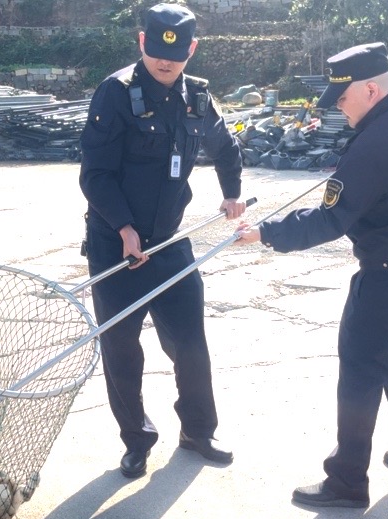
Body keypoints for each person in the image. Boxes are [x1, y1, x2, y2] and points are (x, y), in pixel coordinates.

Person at [233, 42, 388, 508]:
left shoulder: (374, 146)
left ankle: (347, 482)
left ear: (370, 90)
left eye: (343, 98)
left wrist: (265, 233)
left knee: (360, 376)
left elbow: (330, 220)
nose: (338, 109)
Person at [79, 3, 246, 479]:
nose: (164, 62)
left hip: (170, 242)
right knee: (121, 348)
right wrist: (124, 227)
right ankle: (136, 440)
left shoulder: (198, 97)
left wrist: (232, 192)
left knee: (190, 342)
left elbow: (225, 146)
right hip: (116, 244)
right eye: (155, 52)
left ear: (192, 49)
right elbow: (95, 174)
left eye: (175, 55)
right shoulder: (115, 93)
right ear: (141, 43)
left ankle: (198, 431)